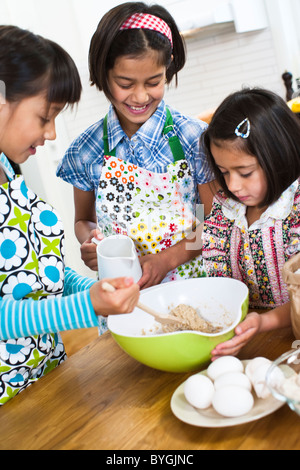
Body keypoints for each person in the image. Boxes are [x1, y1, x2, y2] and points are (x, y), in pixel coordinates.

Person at [0, 25, 139, 405]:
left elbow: (37, 277)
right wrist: (86, 306)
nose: (50, 134)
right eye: (45, 116)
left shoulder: (9, 170)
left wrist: (96, 291)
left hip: (46, 378)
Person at [56, 2, 215, 290]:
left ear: (167, 72)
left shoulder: (193, 137)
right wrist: (91, 240)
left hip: (194, 284)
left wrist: (167, 260)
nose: (140, 96)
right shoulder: (86, 150)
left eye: (153, 82)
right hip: (124, 293)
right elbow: (83, 220)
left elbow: (210, 220)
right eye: (126, 83)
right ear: (104, 74)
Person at [200, 87, 300, 359]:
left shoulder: (295, 211)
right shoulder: (225, 210)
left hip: (290, 337)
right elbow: (216, 273)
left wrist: (264, 321)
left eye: (245, 172)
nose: (232, 185)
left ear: (279, 155)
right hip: (246, 339)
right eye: (223, 172)